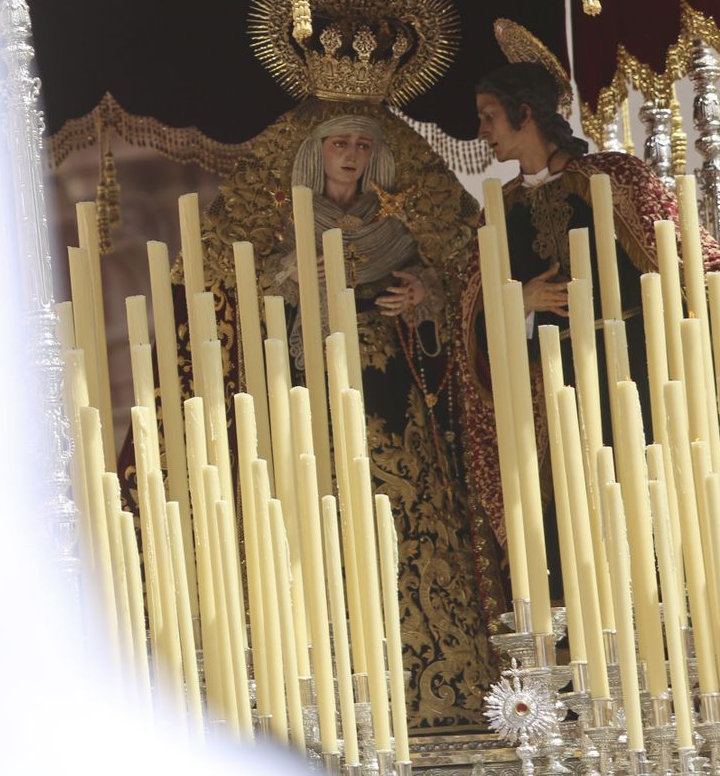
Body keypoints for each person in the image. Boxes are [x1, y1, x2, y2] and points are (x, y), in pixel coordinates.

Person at [202, 103, 499, 730]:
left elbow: (456, 278)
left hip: (389, 387)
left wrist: (423, 290)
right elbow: (231, 293)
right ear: (315, 153)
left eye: (362, 147)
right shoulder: (285, 223)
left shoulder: (392, 220)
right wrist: (286, 276)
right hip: (309, 379)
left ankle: (436, 679)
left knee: (407, 508)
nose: (350, 156)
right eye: (338, 144)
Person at [456, 20, 720, 578]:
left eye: (489, 116)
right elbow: (471, 319)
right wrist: (521, 299)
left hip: (635, 373)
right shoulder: (498, 210)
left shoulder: (613, 176)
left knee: (647, 509)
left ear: (525, 113)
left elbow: (685, 251)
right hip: (555, 390)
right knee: (570, 523)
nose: (481, 130)